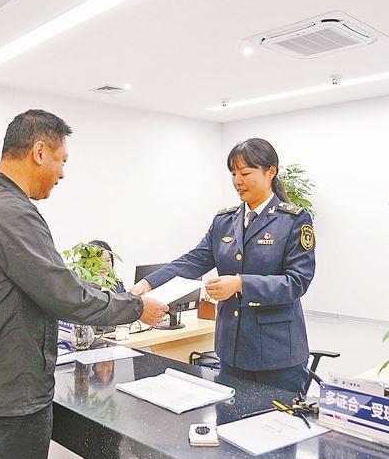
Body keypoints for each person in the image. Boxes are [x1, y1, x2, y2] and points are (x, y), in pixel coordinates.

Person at [0, 109, 168, 459]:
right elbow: (65, 295)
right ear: (39, 152)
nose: (62, 173)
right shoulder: (12, 211)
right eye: (61, 160)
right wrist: (136, 308)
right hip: (15, 389)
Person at [130, 138, 316, 395]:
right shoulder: (225, 220)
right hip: (232, 351)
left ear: (270, 172)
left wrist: (241, 284)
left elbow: (297, 282)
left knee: (277, 419)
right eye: (233, 173)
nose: (237, 181)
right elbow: (194, 260)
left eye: (245, 173)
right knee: (228, 417)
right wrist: (149, 282)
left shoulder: (293, 220)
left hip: (277, 353)